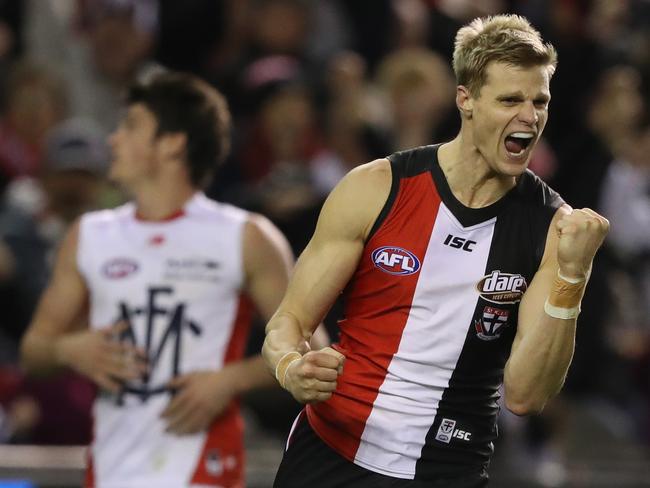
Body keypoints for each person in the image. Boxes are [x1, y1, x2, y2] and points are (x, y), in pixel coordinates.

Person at [262, 14, 610, 487]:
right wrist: (291, 368)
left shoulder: (553, 228)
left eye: (539, 101)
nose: (530, 117)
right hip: (331, 454)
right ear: (466, 100)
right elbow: (288, 324)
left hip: (447, 469)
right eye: (510, 99)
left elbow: (527, 397)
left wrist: (573, 279)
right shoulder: (378, 186)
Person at [20, 72, 294, 487]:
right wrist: (68, 349)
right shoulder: (90, 234)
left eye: (130, 126)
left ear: (172, 143)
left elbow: (309, 348)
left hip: (204, 468)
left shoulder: (245, 235)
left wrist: (229, 380)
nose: (113, 140)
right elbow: (33, 353)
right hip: (110, 470)